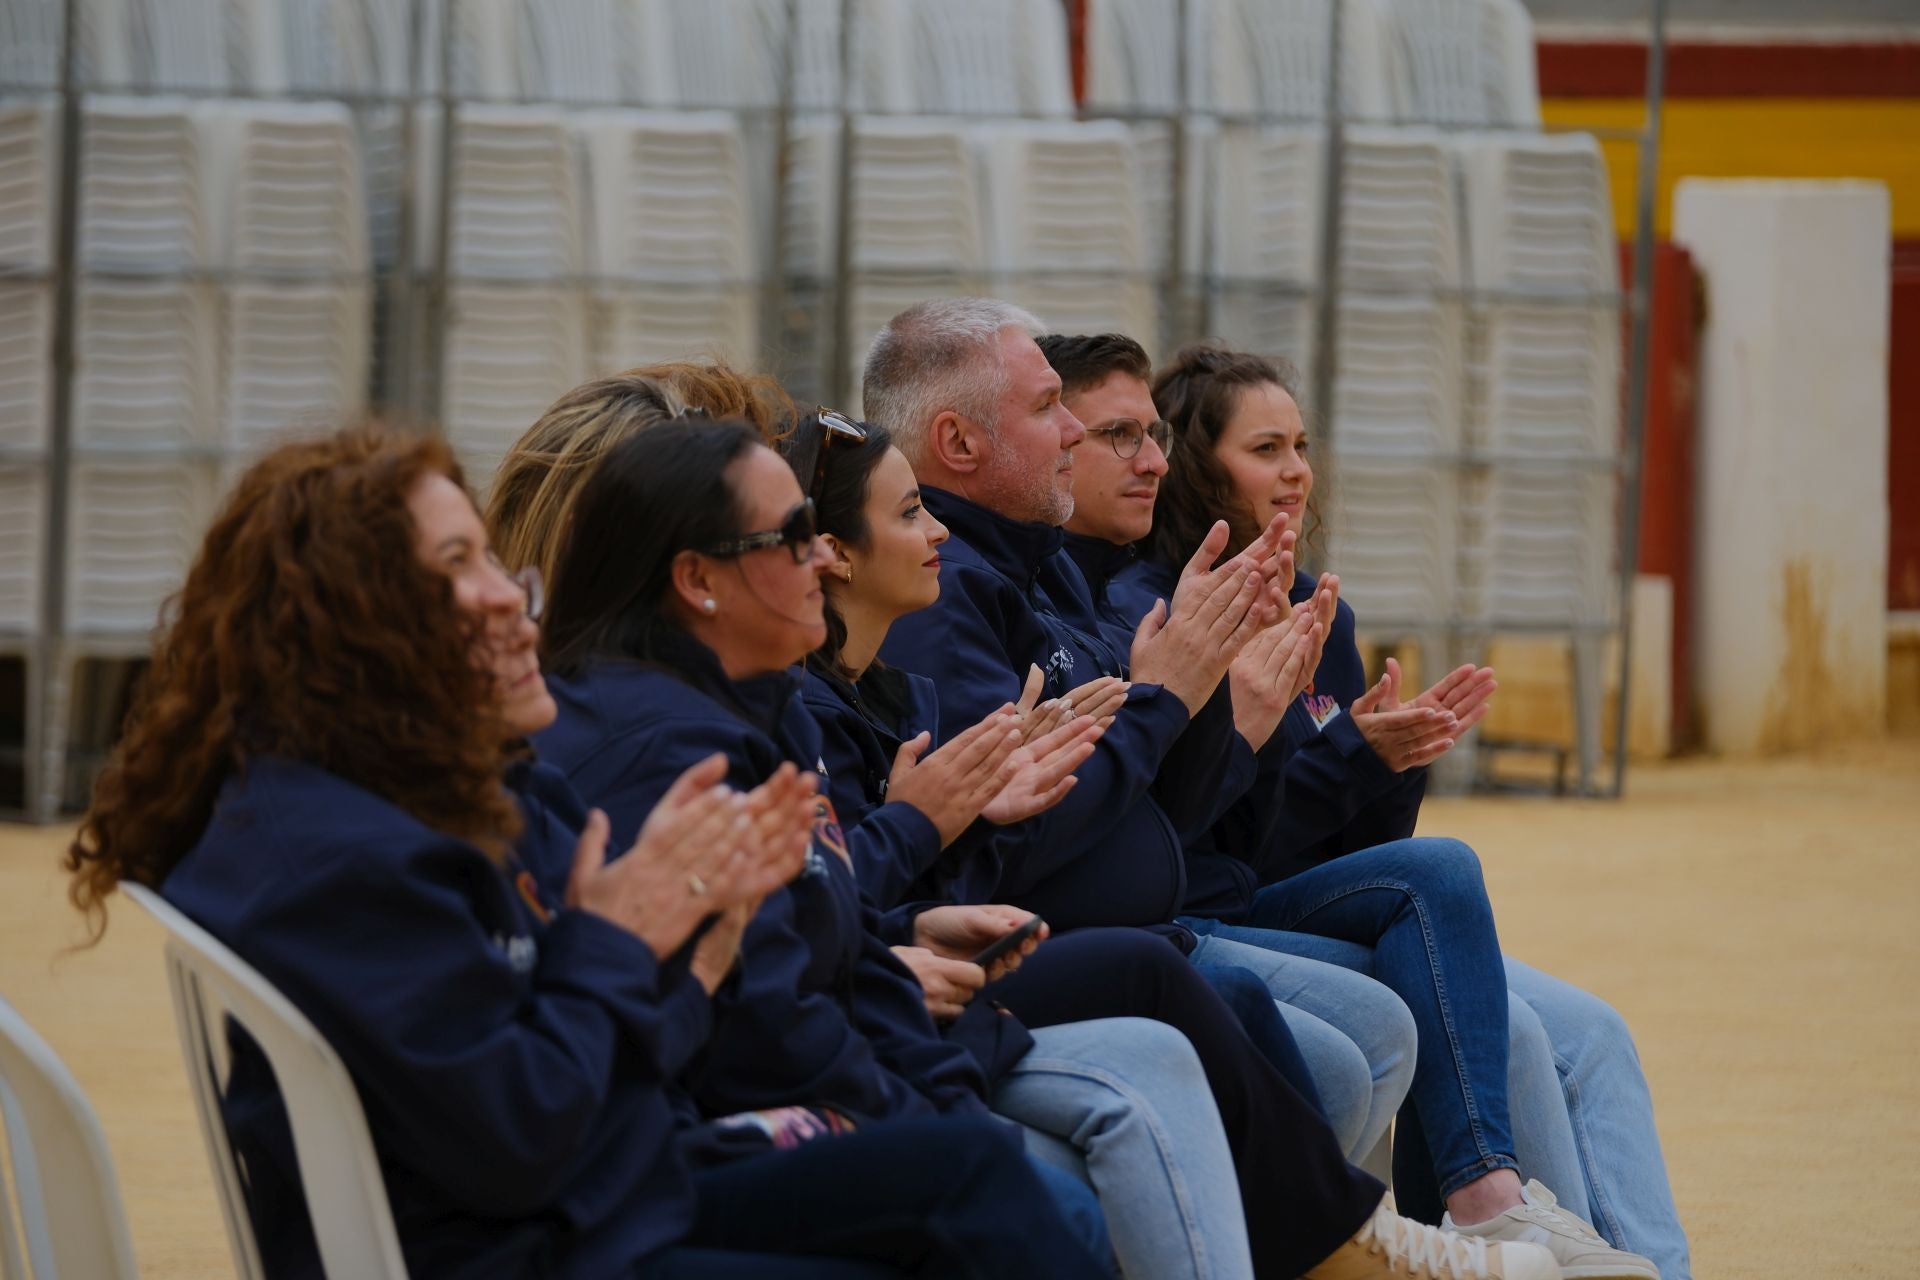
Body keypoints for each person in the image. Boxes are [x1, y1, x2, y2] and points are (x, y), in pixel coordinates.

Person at [64, 426, 1114, 1280]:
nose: (508, 595)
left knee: (964, 1162)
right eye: (455, 564)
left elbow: (609, 1032)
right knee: (968, 1174)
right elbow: (529, 1123)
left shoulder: (431, 790)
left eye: (486, 554)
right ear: (350, 617)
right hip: (544, 1234)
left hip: (591, 1191)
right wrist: (634, 943)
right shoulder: (344, 851)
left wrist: (689, 958)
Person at [522, 417, 1558, 1280]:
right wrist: (1161, 715)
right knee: (1169, 1066)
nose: (818, 554)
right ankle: (1419, 1225)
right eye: (793, 534)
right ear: (696, 578)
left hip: (957, 973)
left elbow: (1207, 833)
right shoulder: (693, 737)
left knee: (1472, 1001)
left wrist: (1288, 740)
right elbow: (749, 1003)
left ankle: (1476, 1213)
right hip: (794, 1072)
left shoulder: (771, 702)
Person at [1118, 339, 1689, 1280]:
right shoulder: (1159, 610)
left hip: (1308, 903)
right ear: (1195, 466)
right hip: (1227, 908)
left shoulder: (1318, 611)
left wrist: (1388, 761)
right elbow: (1218, 845)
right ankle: (1494, 1223)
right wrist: (1338, 750)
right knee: (1506, 1017)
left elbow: (1363, 853)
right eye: (1266, 450)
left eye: (1301, 445)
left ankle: (1656, 1269)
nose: (1297, 471)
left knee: (1595, 1030)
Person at [861, 298, 1419, 1165]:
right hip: (1076, 944)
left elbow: (1183, 820)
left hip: (1158, 923)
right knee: (1380, 1000)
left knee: (1418, 974)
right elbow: (1028, 845)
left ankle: (1477, 1211)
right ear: (959, 444)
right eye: (1054, 412)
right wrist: (1181, 701)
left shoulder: (1049, 574)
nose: (1078, 440)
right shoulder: (952, 594)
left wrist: (1232, 720)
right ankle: (1430, 1217)